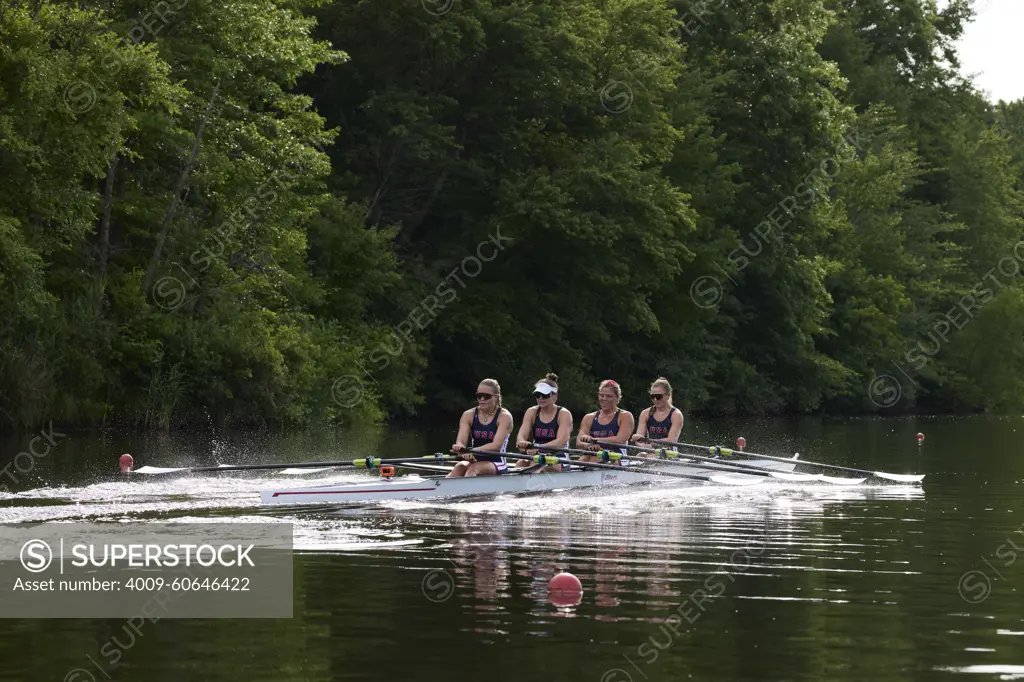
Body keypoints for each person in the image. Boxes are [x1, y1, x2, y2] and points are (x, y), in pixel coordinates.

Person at [447, 378, 514, 477]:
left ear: (495, 397)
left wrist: (471, 451)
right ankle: (440, 491)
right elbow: (461, 441)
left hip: (497, 461)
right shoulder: (468, 415)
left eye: (486, 396)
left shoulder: (504, 417)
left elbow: (496, 446)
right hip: (475, 459)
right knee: (459, 467)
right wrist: (460, 448)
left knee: (473, 469)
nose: (482, 399)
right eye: (479, 396)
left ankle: (466, 492)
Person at [515, 373, 573, 472]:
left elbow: (560, 443)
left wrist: (538, 448)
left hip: (558, 456)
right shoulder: (531, 412)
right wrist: (523, 445)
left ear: (554, 396)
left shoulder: (564, 414)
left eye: (544, 395)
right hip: (536, 454)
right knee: (521, 463)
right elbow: (520, 437)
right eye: (538, 395)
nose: (540, 398)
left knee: (537, 464)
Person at [576, 380, 634, 463]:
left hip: (617, 456)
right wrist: (588, 445)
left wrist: (594, 440)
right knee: (582, 460)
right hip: (594, 454)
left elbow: (620, 440)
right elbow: (578, 443)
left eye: (609, 396)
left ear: (617, 398)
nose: (604, 399)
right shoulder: (589, 417)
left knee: (595, 459)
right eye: (601, 395)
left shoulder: (625, 416)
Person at [632, 377, 684, 450]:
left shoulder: (676, 415)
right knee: (641, 455)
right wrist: (641, 442)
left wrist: (648, 442)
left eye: (658, 396)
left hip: (669, 453)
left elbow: (671, 440)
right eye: (653, 396)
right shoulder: (645, 413)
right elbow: (639, 439)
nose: (655, 399)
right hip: (650, 451)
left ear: (668, 396)